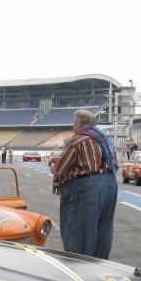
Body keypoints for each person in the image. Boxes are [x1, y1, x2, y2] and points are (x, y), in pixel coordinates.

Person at [48, 109, 118, 260]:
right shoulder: (105, 140)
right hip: (110, 185)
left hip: (86, 188)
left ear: (78, 123)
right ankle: (99, 269)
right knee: (102, 234)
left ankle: (81, 270)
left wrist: (52, 163)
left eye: (74, 123)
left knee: (79, 234)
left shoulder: (78, 140)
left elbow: (59, 170)